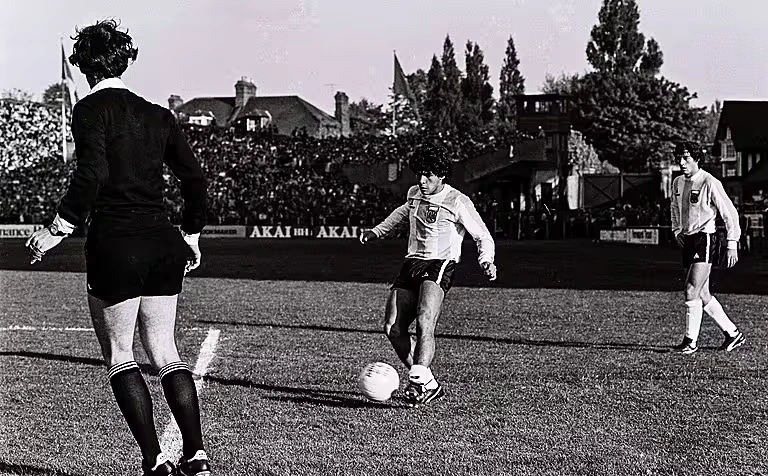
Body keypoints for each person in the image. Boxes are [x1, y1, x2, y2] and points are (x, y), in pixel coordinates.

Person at [25, 20, 210, 476]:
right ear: (125, 61)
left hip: (117, 242)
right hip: (163, 242)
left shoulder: (89, 109)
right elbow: (194, 178)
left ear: (83, 65)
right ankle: (197, 456)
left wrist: (58, 227)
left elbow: (92, 174)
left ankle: (155, 461)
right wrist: (190, 234)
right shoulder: (158, 114)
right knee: (165, 352)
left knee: (121, 355)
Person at [359, 143, 497, 407]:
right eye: (419, 174)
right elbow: (402, 213)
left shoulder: (457, 200)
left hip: (439, 263)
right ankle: (428, 383)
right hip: (412, 262)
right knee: (392, 328)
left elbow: (482, 235)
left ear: (441, 175)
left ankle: (417, 382)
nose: (422, 181)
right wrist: (377, 231)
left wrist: (486, 261)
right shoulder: (414, 194)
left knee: (424, 319)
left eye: (428, 176)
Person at [670, 141, 745, 355]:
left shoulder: (709, 181)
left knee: (691, 289)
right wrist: (677, 230)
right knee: (702, 293)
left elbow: (730, 214)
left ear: (696, 159)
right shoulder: (677, 182)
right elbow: (674, 207)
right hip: (688, 239)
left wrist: (732, 244)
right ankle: (733, 334)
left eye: (686, 158)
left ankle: (690, 342)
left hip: (705, 238)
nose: (681, 162)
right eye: (679, 158)